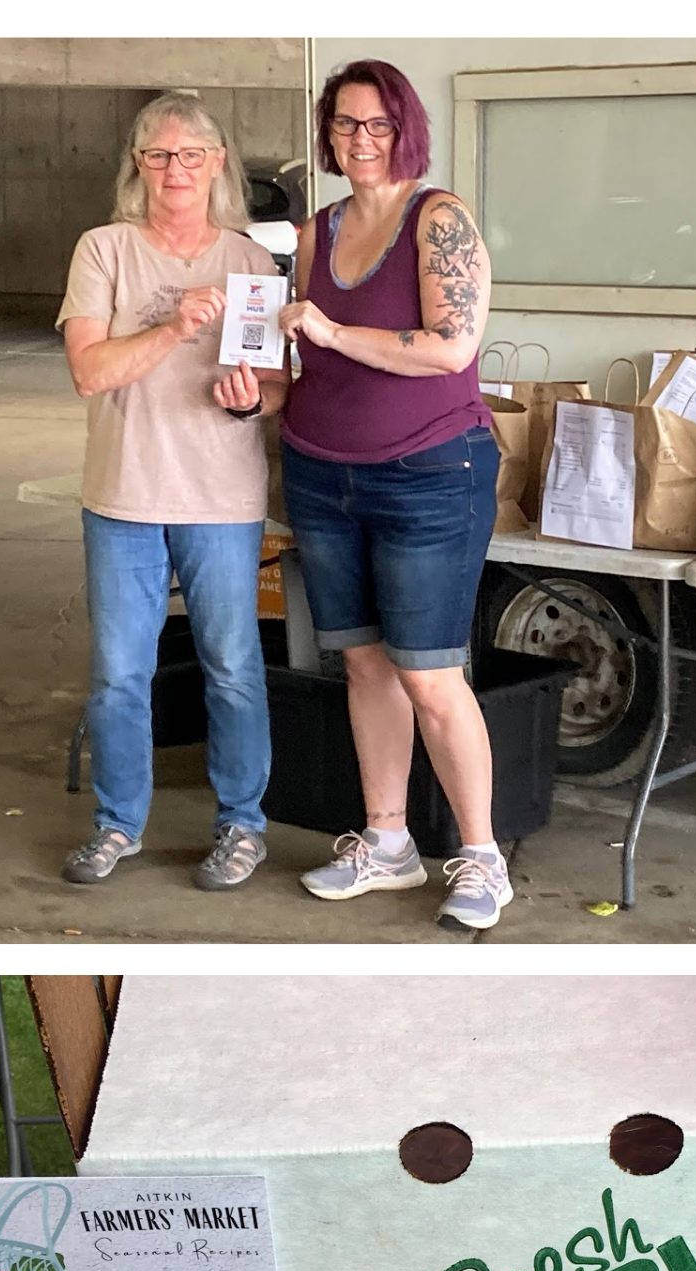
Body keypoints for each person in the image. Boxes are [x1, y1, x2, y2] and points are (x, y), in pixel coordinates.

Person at [269, 59, 506, 931]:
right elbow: (294, 358)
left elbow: (450, 347)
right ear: (327, 133)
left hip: (430, 471)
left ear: (403, 127)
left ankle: (480, 856)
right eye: (343, 125)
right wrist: (256, 385)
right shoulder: (311, 235)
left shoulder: (438, 219)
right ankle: (389, 842)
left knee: (430, 671)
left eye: (374, 124)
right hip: (321, 470)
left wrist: (330, 329)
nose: (359, 140)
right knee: (363, 662)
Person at [56, 93, 281, 890]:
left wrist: (252, 400)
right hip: (123, 497)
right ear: (138, 166)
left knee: (232, 663)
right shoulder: (105, 251)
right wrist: (172, 328)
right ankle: (119, 826)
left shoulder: (252, 263)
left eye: (191, 155)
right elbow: (90, 371)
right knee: (120, 670)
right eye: (158, 155)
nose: (175, 169)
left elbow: (277, 387)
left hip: (222, 499)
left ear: (218, 163)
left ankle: (242, 826)